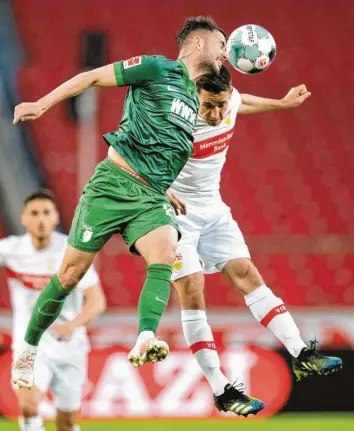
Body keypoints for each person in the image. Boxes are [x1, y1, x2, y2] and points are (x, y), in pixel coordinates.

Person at [11, 16, 228, 389]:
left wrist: (165, 187)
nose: (225, 53)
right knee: (69, 275)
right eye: (220, 44)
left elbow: (166, 147)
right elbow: (92, 77)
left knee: (166, 253)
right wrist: (42, 104)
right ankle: (28, 349)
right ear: (196, 45)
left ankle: (146, 337)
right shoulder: (157, 67)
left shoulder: (197, 99)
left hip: (150, 197)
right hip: (112, 186)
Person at [168, 66, 342, 416]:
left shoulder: (229, 101)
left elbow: (241, 101)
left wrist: (282, 103)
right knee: (193, 288)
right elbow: (128, 156)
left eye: (220, 105)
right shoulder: (172, 119)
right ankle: (221, 388)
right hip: (173, 212)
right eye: (208, 107)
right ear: (193, 99)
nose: (216, 114)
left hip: (213, 207)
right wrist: (163, 186)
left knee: (247, 272)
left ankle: (301, 354)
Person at [0, 189, 106, 431]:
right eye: (34, 213)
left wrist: (72, 325)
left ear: (55, 217)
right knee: (28, 404)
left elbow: (97, 301)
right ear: (24, 218)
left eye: (46, 213)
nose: (40, 219)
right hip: (28, 344)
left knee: (66, 423)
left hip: (69, 346)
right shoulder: (12, 249)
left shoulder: (72, 252)